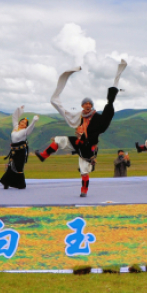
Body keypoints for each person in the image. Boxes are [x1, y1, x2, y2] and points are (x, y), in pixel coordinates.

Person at [34, 66, 120, 197]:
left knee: (84, 171)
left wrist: (110, 101)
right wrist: (56, 102)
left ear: (92, 106)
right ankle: (43, 156)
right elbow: (66, 113)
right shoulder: (79, 115)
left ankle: (84, 190)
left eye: (89, 104)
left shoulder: (97, 118)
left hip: (88, 145)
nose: (87, 105)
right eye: (85, 103)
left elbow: (106, 117)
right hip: (78, 141)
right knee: (59, 140)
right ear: (82, 106)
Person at [0, 106, 38, 190]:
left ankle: (20, 184)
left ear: (26, 126)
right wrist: (19, 109)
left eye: (25, 123)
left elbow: (31, 127)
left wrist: (34, 121)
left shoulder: (25, 131)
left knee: (19, 167)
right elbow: (14, 117)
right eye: (22, 121)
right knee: (11, 166)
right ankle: (6, 183)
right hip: (13, 151)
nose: (23, 123)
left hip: (21, 151)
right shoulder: (15, 127)